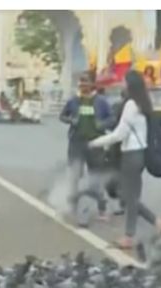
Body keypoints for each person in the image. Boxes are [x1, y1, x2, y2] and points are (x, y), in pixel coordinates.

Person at [89, 71, 161, 250]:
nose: (122, 84)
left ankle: (133, 234)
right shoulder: (142, 103)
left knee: (128, 197)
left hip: (131, 155)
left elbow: (119, 134)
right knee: (130, 196)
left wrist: (96, 143)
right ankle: (154, 224)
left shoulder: (131, 105)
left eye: (124, 82)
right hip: (139, 154)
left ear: (130, 85)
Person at [59, 74, 113, 224]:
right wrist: (71, 120)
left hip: (95, 144)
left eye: (85, 82)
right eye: (81, 82)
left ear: (92, 84)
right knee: (74, 176)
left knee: (95, 177)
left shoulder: (101, 102)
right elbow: (62, 116)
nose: (82, 85)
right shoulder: (73, 101)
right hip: (76, 143)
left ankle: (102, 209)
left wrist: (101, 125)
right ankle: (72, 207)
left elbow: (112, 118)